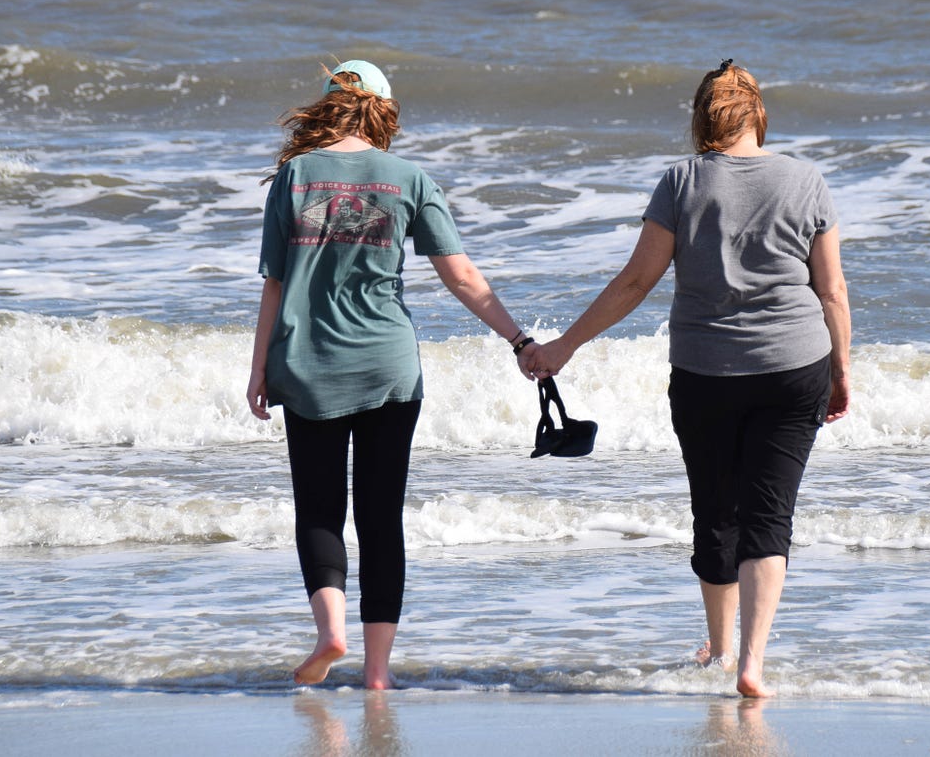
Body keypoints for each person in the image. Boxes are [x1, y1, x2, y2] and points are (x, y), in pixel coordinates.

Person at [523, 59, 851, 698]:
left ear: (703, 118)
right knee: (770, 516)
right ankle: (753, 661)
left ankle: (721, 650)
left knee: (716, 511)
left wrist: (564, 345)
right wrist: (841, 369)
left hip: (706, 373)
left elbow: (637, 281)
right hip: (794, 367)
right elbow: (832, 290)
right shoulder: (807, 180)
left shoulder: (681, 181)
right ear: (758, 115)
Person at [248, 59, 537, 690]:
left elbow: (275, 282)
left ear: (328, 107)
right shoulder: (410, 178)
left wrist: (258, 367)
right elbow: (461, 276)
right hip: (388, 364)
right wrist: (521, 339)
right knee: (381, 517)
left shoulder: (294, 176)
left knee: (320, 511)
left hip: (308, 363)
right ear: (383, 109)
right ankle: (377, 674)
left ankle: (330, 633)